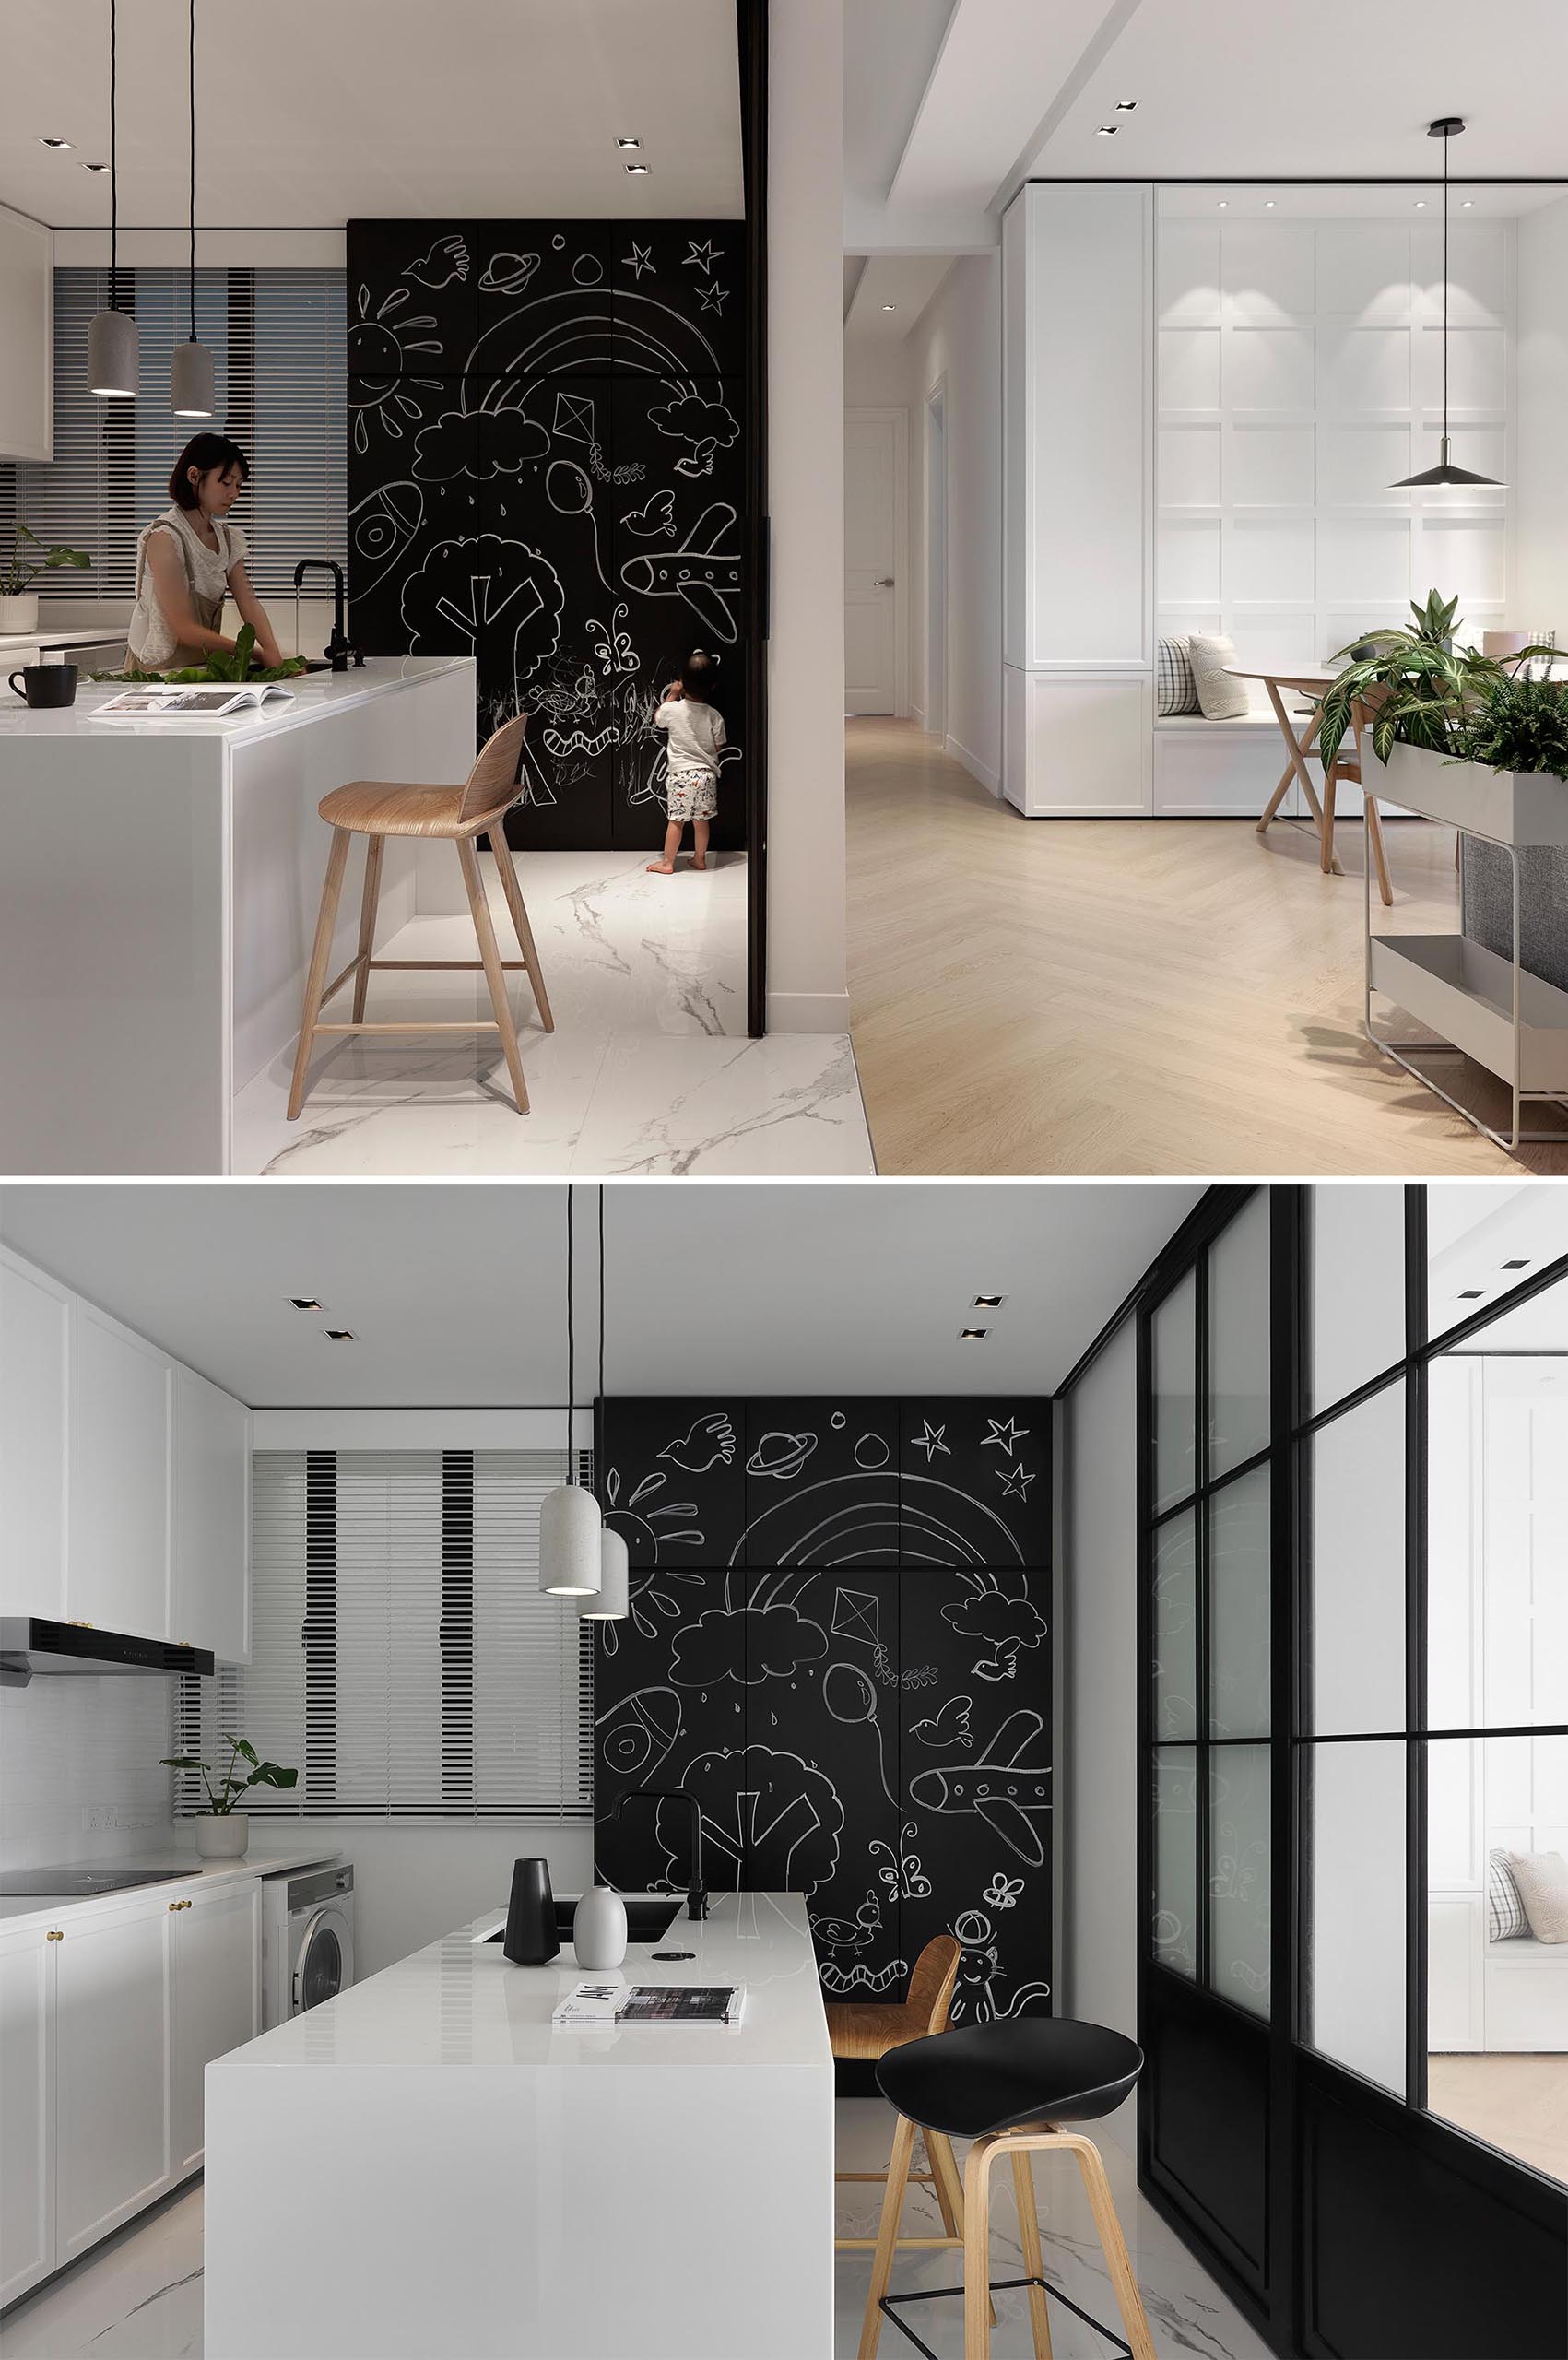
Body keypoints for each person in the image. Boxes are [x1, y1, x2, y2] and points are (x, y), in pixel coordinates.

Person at [125, 432, 287, 673]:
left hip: (197, 669)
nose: (234, 494)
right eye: (226, 482)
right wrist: (252, 652)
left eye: (239, 485)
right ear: (194, 475)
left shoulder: (228, 540)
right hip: (156, 674)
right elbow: (183, 628)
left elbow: (249, 603)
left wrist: (273, 651)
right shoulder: (164, 538)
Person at [647, 649, 725, 875]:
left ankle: (668, 862)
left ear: (682, 683)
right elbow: (719, 744)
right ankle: (700, 859)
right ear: (712, 686)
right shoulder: (714, 715)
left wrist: (672, 694)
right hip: (706, 775)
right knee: (701, 822)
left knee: (676, 821)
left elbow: (658, 719)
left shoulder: (673, 709)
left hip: (681, 775)